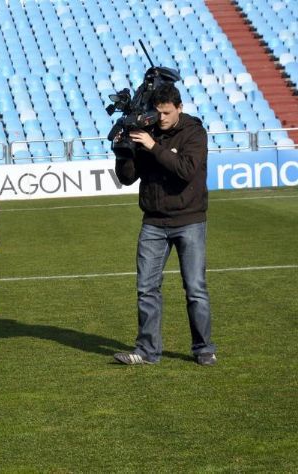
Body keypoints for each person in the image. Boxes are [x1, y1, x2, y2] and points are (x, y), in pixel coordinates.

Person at [113, 83, 217, 366]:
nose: (161, 118)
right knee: (146, 287)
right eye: (157, 112)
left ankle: (204, 348)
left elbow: (185, 170)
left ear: (179, 108)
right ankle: (147, 351)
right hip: (153, 221)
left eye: (167, 113)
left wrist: (152, 145)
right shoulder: (148, 130)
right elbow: (127, 178)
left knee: (195, 288)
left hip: (189, 219)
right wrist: (124, 152)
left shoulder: (194, 132)